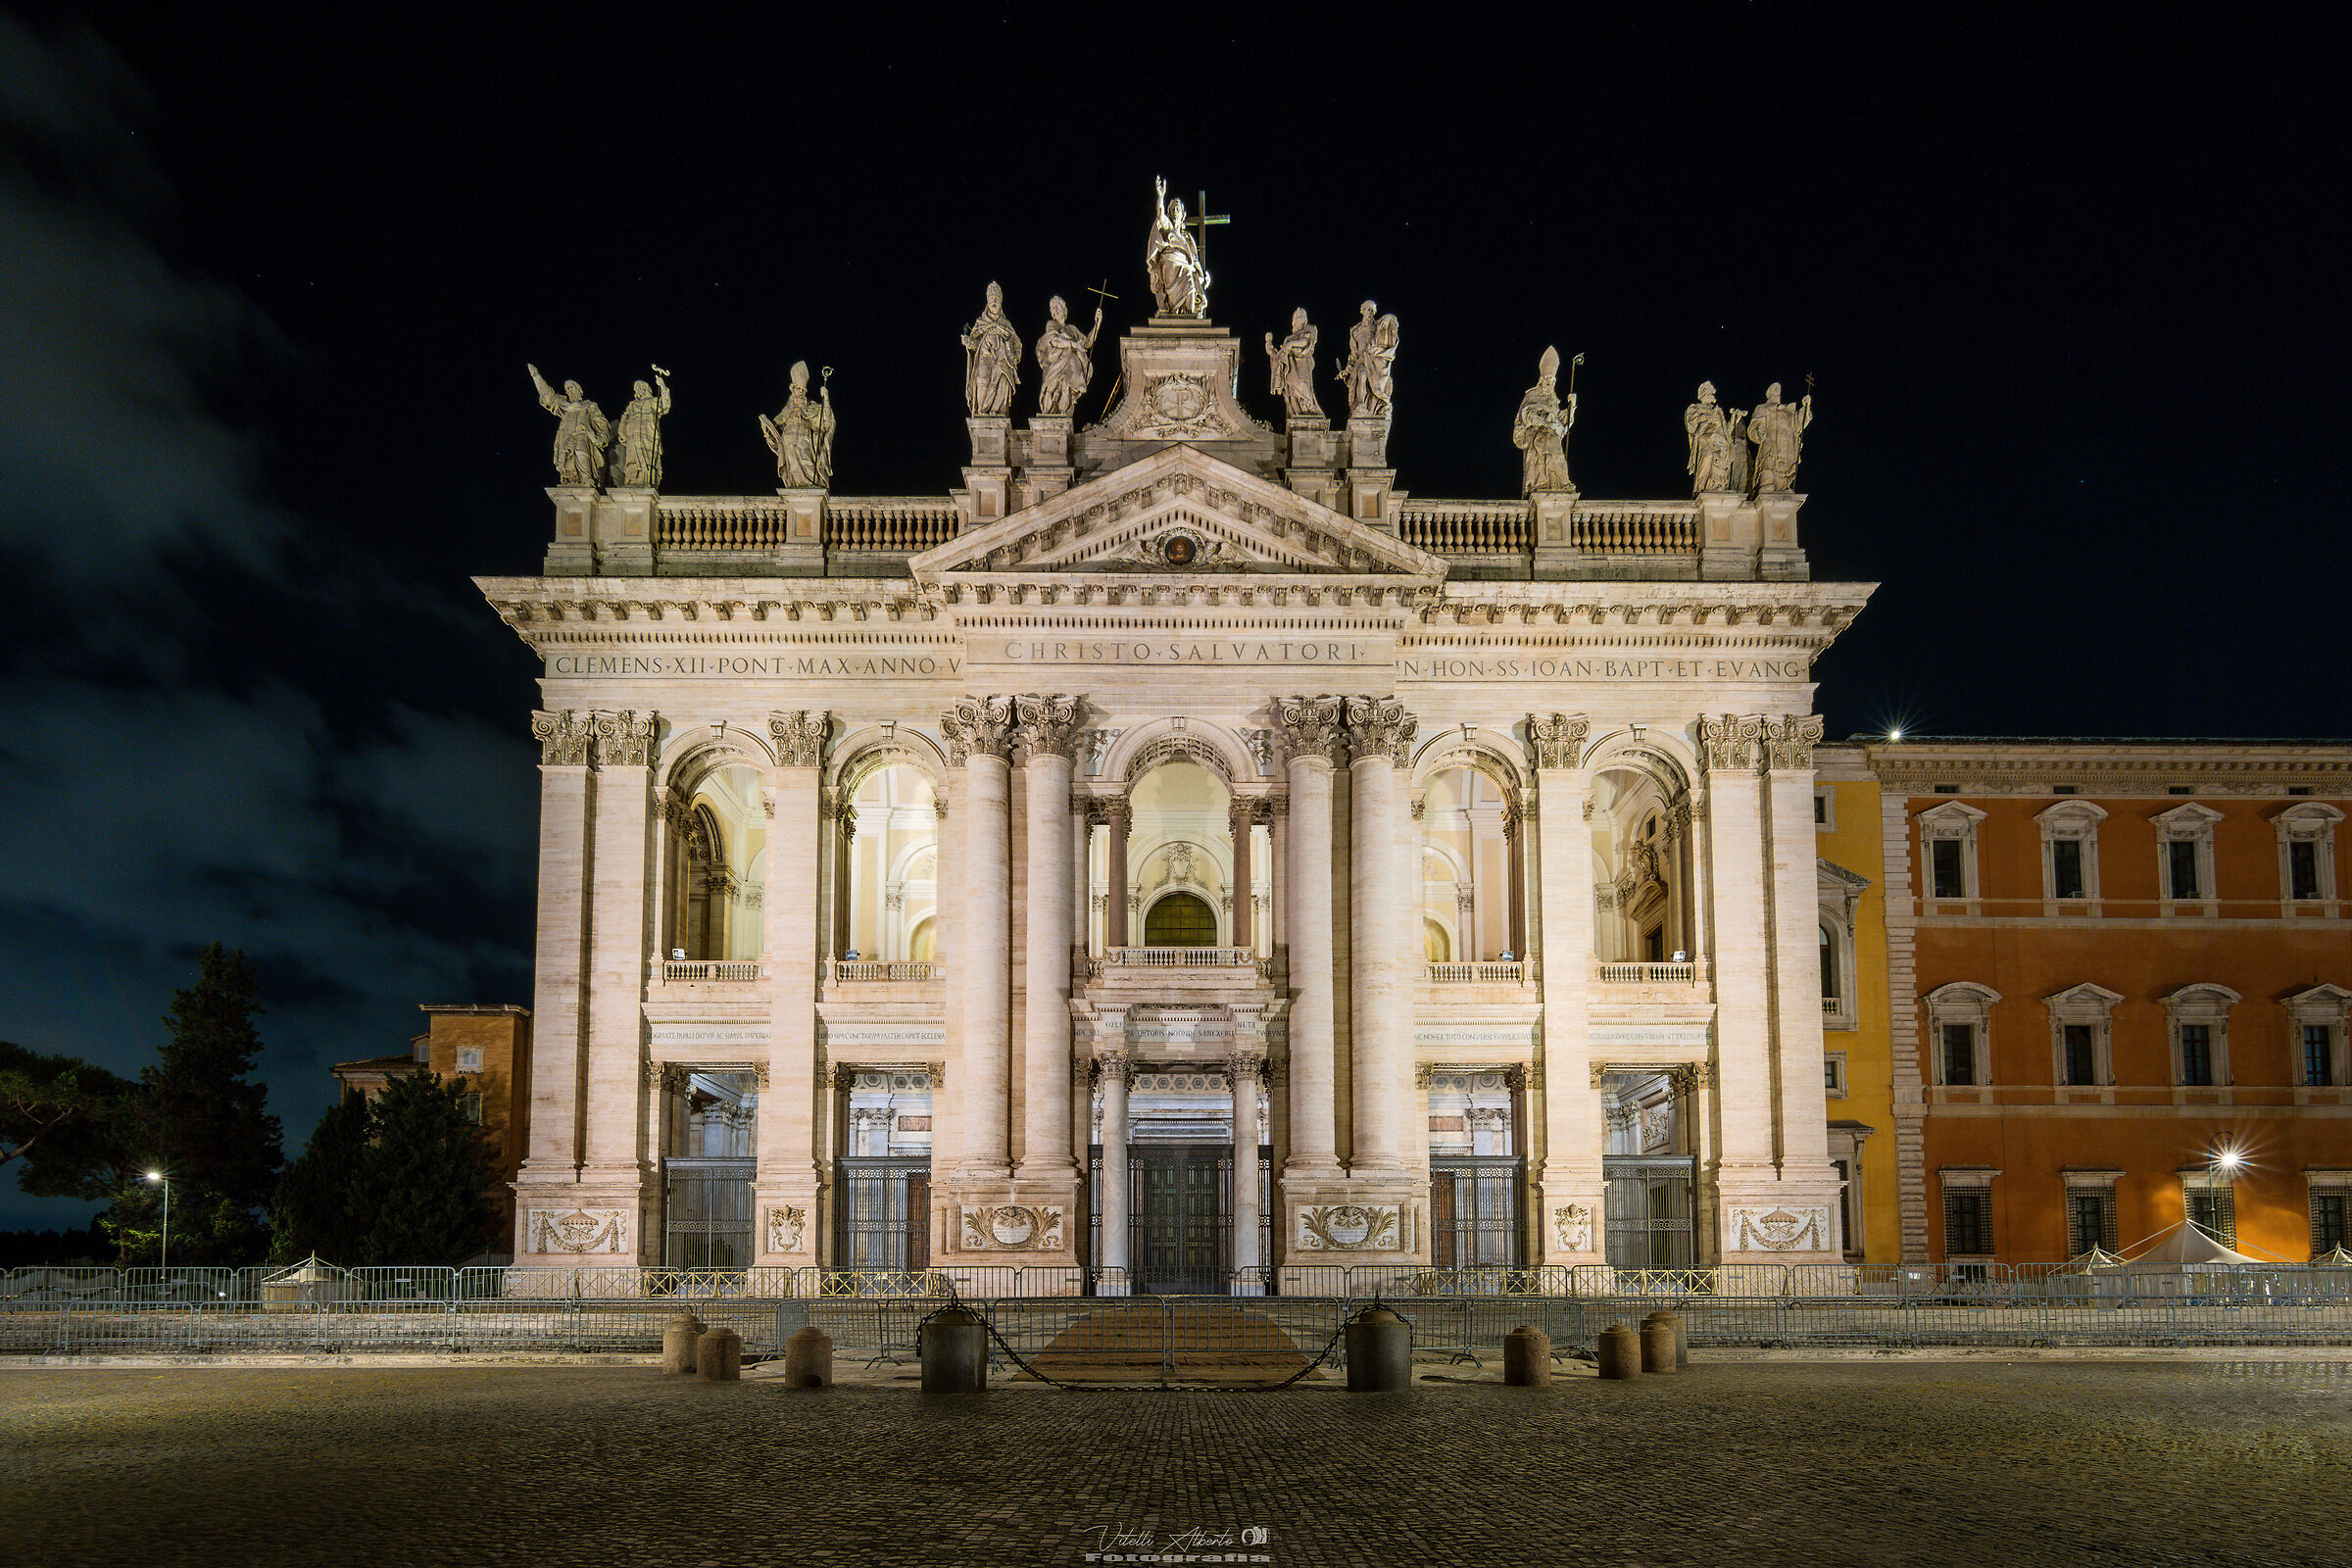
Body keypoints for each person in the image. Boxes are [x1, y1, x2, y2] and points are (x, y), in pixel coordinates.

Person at [528, 365, 610, 488]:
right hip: (566, 436)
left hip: (583, 434)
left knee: (581, 452)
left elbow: (601, 423)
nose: (569, 390)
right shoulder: (564, 406)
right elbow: (548, 395)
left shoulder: (589, 405)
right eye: (567, 388)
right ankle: (574, 480)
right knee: (568, 459)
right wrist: (536, 376)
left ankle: (587, 479)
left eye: (572, 387)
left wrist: (600, 438)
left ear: (579, 390)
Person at [760, 362, 835, 489]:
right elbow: (776, 426)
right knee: (793, 466)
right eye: (798, 389)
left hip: (805, 438)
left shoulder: (812, 407)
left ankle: (811, 485)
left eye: (803, 390)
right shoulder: (787, 410)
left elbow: (826, 421)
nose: (800, 392)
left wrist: (826, 398)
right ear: (792, 388)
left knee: (807, 464)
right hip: (788, 440)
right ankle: (796, 487)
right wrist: (767, 430)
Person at [1512, 346, 1575, 494]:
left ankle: (1560, 483)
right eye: (1547, 379)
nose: (1550, 383)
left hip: (1552, 437)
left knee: (1557, 457)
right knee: (1542, 460)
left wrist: (1572, 408)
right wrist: (1545, 419)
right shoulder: (1532, 395)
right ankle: (1543, 484)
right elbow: (1526, 414)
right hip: (1537, 437)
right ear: (1541, 381)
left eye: (1552, 380)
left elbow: (1563, 428)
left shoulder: (1554, 401)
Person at [1146, 174, 1210, 318]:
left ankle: (1190, 319)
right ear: (1169, 212)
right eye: (1173, 208)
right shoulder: (1167, 228)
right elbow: (1160, 214)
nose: (1175, 211)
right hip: (1169, 264)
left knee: (1190, 279)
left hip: (1187, 268)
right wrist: (1161, 196)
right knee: (1187, 274)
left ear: (1183, 214)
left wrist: (1201, 274)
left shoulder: (1187, 237)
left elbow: (1194, 259)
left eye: (1178, 209)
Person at [1035, 295, 1102, 416]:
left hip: (1071, 365)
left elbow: (1087, 343)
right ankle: (1049, 413)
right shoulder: (1051, 325)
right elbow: (1055, 341)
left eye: (1057, 307)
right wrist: (1073, 345)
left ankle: (1063, 413)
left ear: (1064, 309)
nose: (1054, 310)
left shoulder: (1072, 329)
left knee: (1067, 387)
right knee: (1052, 387)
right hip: (1057, 362)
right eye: (1052, 308)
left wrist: (1097, 325)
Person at [960, 282, 1022, 416]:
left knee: (1004, 378)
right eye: (991, 298)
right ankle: (982, 411)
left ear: (1001, 301)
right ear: (987, 301)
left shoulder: (1006, 324)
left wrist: (1016, 356)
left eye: (996, 298)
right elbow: (975, 346)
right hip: (985, 355)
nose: (994, 300)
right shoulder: (980, 323)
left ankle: (996, 411)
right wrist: (970, 343)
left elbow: (1017, 344)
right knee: (982, 377)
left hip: (1002, 357)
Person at [1746, 381, 1814, 492]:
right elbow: (1755, 426)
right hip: (1770, 441)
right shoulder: (1762, 408)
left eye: (1779, 389)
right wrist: (1758, 433)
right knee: (1768, 463)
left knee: (1784, 466)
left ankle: (1782, 487)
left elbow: (1798, 425)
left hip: (1786, 445)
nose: (1778, 392)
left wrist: (1806, 407)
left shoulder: (1788, 411)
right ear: (1769, 393)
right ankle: (1766, 483)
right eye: (1775, 389)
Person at [611, 368, 671, 488]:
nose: (638, 390)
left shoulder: (653, 401)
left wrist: (662, 386)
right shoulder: (632, 405)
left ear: (646, 389)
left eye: (640, 387)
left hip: (648, 436)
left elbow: (666, 405)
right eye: (636, 388)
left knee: (649, 460)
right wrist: (622, 433)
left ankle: (647, 480)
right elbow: (624, 420)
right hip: (633, 437)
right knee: (632, 461)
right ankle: (632, 481)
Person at [1683, 381, 1738, 495]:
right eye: (1706, 391)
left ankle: (1718, 486)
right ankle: (1701, 488)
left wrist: (1733, 420)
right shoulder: (1694, 408)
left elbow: (1725, 431)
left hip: (1720, 442)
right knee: (1707, 458)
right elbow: (1691, 424)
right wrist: (1706, 417)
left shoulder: (1718, 411)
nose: (1709, 394)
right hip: (1705, 439)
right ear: (1701, 395)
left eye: (1710, 391)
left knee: (1720, 462)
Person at [1265, 308, 1322, 418]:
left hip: (1302, 364)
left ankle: (1308, 409)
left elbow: (1305, 342)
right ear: (1293, 321)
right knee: (1291, 390)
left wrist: (1291, 344)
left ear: (1305, 320)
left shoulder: (1309, 330)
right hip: (1290, 368)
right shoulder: (1288, 338)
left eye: (1301, 314)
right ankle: (1297, 411)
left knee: (1303, 385)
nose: (1298, 315)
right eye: (1296, 315)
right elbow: (1279, 356)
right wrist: (1270, 348)